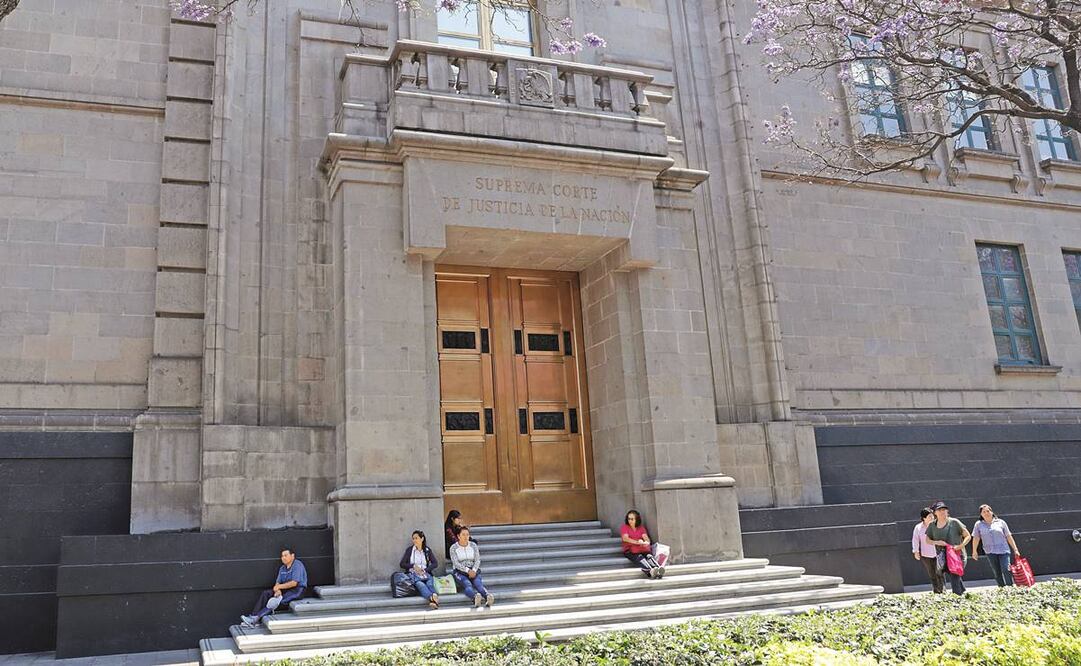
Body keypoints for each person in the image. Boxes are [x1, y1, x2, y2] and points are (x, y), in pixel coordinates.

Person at [240, 547, 308, 627]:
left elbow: (294, 583)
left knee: (275, 601)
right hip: (285, 590)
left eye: (286, 555)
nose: (283, 558)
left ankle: (255, 619)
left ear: (292, 556)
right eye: (282, 556)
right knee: (266, 593)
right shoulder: (282, 568)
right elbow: (277, 583)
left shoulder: (297, 564)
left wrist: (279, 587)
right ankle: (253, 616)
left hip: (297, 591)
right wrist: (277, 590)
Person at [923, 501, 971, 595]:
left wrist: (960, 546)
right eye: (939, 510)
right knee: (950, 573)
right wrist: (936, 542)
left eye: (944, 509)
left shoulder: (954, 522)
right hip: (942, 556)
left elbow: (967, 536)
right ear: (935, 512)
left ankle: (957, 597)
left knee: (954, 574)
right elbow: (927, 540)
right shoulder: (932, 525)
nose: (942, 512)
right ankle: (963, 591)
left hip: (956, 555)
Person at [971, 504, 1021, 587]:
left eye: (988, 511)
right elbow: (976, 538)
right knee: (996, 572)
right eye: (984, 512)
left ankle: (1010, 588)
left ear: (992, 512)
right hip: (990, 551)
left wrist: (1015, 549)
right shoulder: (978, 524)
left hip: (1003, 550)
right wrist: (974, 551)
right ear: (981, 514)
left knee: (1006, 569)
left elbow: (1008, 536)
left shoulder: (1001, 522)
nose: (986, 513)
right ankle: (1001, 588)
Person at [449, 526, 494, 608]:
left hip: (474, 570)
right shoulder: (453, 548)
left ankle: (488, 597)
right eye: (463, 535)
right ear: (458, 536)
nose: (466, 537)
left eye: (467, 534)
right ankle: (475, 598)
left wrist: (473, 570)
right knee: (467, 584)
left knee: (478, 584)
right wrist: (467, 571)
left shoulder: (473, 545)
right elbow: (456, 563)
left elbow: (477, 560)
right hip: (460, 571)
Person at [399, 530, 441, 609]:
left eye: (416, 538)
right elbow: (402, 564)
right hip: (413, 574)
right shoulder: (410, 550)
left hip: (426, 573)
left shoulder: (427, 550)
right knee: (421, 585)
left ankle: (434, 598)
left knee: (430, 584)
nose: (414, 540)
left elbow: (435, 563)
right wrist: (413, 566)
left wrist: (425, 570)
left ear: (422, 539)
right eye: (413, 538)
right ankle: (432, 598)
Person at [620, 509, 664, 579]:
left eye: (632, 519)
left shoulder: (641, 528)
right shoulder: (625, 527)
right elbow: (625, 538)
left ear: (637, 519)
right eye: (628, 519)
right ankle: (650, 571)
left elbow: (647, 539)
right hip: (630, 551)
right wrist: (637, 542)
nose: (630, 521)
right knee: (640, 558)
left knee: (649, 556)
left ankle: (658, 569)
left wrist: (645, 543)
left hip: (642, 549)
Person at [912, 507, 944, 593]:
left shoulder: (938, 525)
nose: (932, 518)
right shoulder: (918, 527)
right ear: (924, 518)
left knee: (940, 572)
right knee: (932, 573)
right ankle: (936, 590)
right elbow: (915, 539)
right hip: (926, 554)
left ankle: (942, 589)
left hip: (938, 552)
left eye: (933, 516)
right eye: (929, 516)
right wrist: (916, 551)